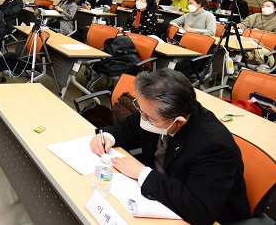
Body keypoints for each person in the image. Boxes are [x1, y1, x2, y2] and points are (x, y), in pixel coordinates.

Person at [89, 69, 250, 225]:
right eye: (142, 111)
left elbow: (200, 209)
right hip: (161, 195)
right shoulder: (158, 111)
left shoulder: (213, 146)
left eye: (148, 117)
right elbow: (132, 125)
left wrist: (142, 173)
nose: (142, 117)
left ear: (179, 121)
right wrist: (108, 137)